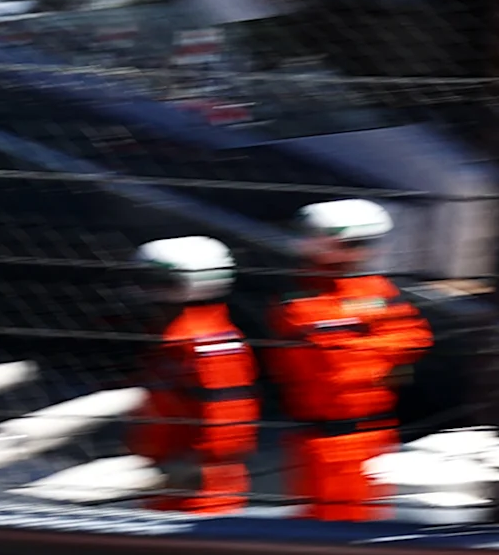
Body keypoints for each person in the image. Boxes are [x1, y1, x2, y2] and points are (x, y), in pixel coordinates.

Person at [270, 199, 432, 521]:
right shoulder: (300, 300)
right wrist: (377, 351)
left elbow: (416, 337)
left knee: (360, 524)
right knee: (324, 527)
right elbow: (329, 363)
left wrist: (364, 349)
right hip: (322, 437)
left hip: (369, 432)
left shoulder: (375, 288)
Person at [129, 236, 258, 514]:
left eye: (156, 279)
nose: (145, 288)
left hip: (199, 483)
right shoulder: (177, 333)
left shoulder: (208, 342)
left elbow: (230, 411)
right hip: (169, 471)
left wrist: (199, 463)